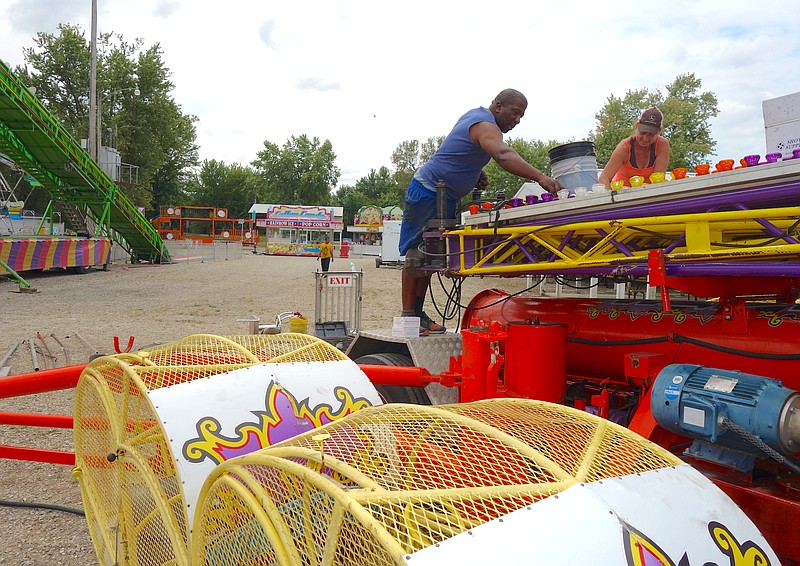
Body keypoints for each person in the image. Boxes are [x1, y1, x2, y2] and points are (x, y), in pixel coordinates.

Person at [399, 88, 564, 336]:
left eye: (522, 116)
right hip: (428, 191)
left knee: (431, 255)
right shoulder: (485, 125)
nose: (517, 120)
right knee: (417, 255)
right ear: (498, 106)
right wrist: (540, 177)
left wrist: (475, 172)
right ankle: (407, 319)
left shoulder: (476, 118)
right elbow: (502, 153)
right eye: (515, 113)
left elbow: (459, 151)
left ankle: (418, 314)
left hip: (446, 196)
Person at [598, 107, 670, 190]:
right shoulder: (624, 147)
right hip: (622, 195)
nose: (645, 138)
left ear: (659, 131)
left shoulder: (662, 144)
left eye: (651, 134)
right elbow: (604, 179)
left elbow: (659, 179)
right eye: (642, 132)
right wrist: (612, 199)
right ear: (636, 126)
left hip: (648, 194)